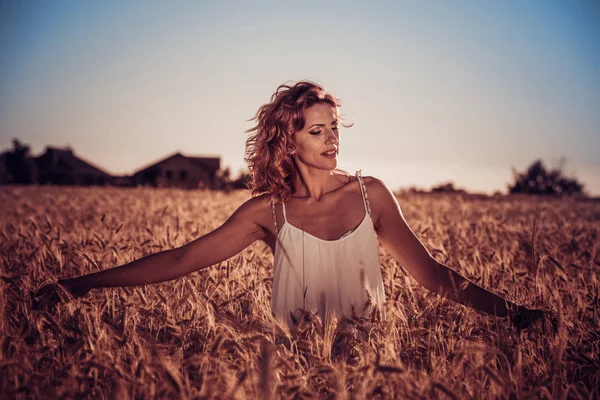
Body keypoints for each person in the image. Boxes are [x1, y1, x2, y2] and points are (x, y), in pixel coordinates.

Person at [34, 80, 548, 331]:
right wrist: (78, 284)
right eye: (316, 131)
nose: (331, 141)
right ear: (288, 142)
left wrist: (519, 314)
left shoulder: (372, 195)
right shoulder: (267, 214)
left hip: (371, 361)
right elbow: (178, 261)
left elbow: (435, 277)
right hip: (293, 367)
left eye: (334, 129)